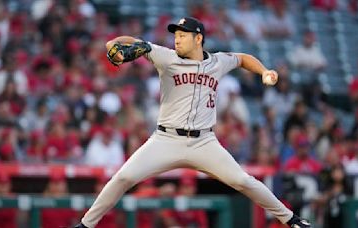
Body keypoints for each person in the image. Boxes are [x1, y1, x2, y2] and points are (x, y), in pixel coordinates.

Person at [75, 17, 310, 228]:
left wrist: (264, 71)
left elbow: (242, 59)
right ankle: (86, 225)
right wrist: (128, 45)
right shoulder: (165, 56)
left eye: (182, 35)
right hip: (165, 139)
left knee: (242, 180)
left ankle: (292, 220)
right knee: (124, 178)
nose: (176, 40)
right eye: (175, 35)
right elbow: (117, 44)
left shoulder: (218, 62)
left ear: (198, 38)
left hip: (204, 142)